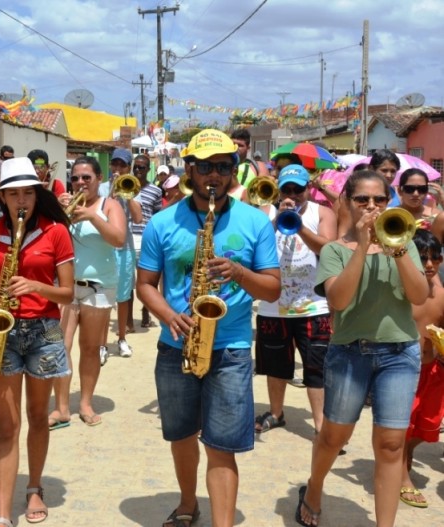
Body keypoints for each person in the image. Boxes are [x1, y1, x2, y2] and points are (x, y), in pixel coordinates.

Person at [137, 129, 281, 527]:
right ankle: (188, 503)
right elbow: (145, 286)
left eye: (222, 167)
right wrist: (169, 315)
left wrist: (237, 271)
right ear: (190, 170)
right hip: (176, 343)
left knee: (221, 445)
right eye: (204, 167)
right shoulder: (163, 223)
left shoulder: (255, 222)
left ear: (234, 170)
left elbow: (272, 288)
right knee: (181, 437)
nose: (213, 175)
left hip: (231, 346)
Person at [296, 169, 427, 527]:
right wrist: (363, 248)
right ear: (347, 204)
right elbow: (338, 299)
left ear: (390, 203)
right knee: (334, 435)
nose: (372, 206)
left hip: (399, 354)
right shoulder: (335, 251)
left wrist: (396, 250)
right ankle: (315, 486)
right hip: (350, 353)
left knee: (390, 445)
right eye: (362, 200)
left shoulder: (407, 243)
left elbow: (419, 296)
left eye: (380, 200)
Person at [0, 156, 75, 527]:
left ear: (37, 195)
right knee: (7, 426)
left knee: (37, 417)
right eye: (12, 193)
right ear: (1, 197)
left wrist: (35, 286)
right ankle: (2, 513)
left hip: (44, 331)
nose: (20, 201)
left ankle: (34, 487)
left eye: (26, 193)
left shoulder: (56, 232)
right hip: (4, 331)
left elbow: (67, 294)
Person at [253, 164, 336, 438]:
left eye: (297, 189)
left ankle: (321, 425)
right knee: (276, 366)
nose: (292, 195)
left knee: (316, 367)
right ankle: (276, 413)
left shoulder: (322, 213)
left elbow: (328, 250)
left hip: (313, 305)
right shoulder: (266, 213)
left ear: (308, 189)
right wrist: (279, 220)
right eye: (286, 189)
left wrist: (298, 226)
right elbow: (254, 245)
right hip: (274, 306)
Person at [50, 156, 126, 428]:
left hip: (99, 286)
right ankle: (60, 407)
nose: (80, 183)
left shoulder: (110, 205)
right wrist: (57, 212)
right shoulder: (65, 205)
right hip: (67, 288)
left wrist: (93, 216)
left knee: (91, 349)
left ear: (99, 179)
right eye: (75, 178)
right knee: (60, 346)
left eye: (86, 178)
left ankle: (84, 403)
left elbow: (118, 239)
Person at [400, 229, 444, 509]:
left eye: (435, 258)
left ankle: (404, 454)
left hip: (434, 370)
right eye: (423, 258)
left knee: (428, 425)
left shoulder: (441, 294)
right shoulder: (400, 291)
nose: (429, 264)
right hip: (403, 369)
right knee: (400, 428)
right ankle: (402, 473)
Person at [101, 149, 142, 362]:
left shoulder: (134, 188)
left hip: (124, 249)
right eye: (115, 164)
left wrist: (127, 196)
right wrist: (111, 195)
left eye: (122, 165)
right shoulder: (99, 188)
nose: (118, 169)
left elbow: (137, 218)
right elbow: (100, 213)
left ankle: (122, 338)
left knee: (123, 296)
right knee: (103, 296)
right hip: (104, 249)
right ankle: (101, 343)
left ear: (129, 168)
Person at [129, 153, 163, 328]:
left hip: (145, 240)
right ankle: (127, 319)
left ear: (148, 170)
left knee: (147, 280)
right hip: (127, 239)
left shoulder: (156, 191)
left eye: (141, 167)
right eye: (135, 167)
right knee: (127, 281)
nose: (137, 170)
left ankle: (146, 311)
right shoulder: (125, 186)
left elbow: (157, 216)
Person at [337, 149, 401, 237]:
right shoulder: (351, 197)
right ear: (371, 169)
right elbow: (342, 234)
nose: (389, 175)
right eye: (384, 170)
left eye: (393, 171)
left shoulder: (396, 192)